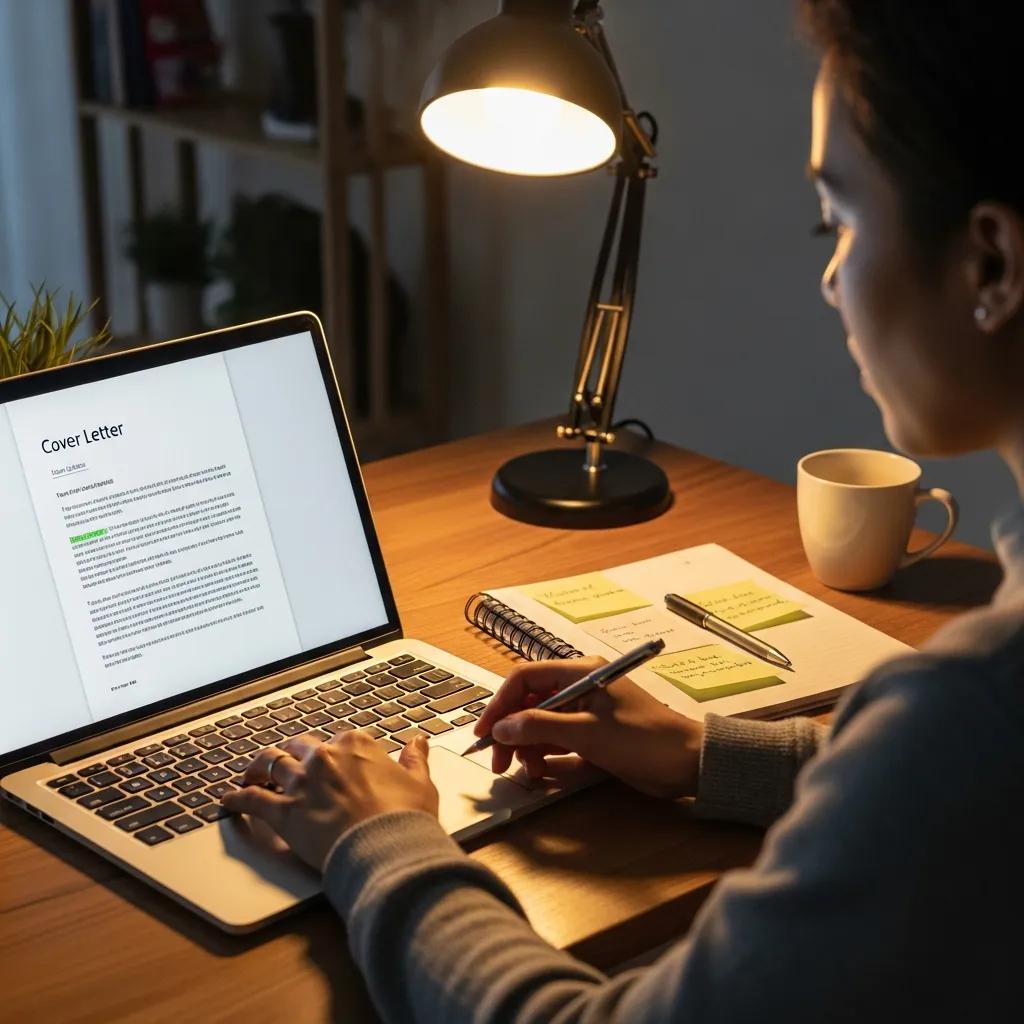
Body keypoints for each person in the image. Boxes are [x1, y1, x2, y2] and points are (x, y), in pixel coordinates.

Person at [223, 2, 1024, 1020]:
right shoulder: (968, 729)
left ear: (991, 263)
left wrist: (376, 840)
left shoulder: (970, 711)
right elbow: (943, 804)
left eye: (841, 219)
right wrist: (705, 752)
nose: (830, 275)